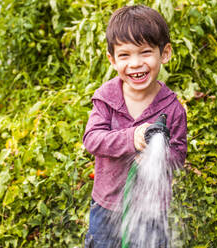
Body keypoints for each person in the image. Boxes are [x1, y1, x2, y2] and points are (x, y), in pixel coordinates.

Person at [83, 5, 187, 248]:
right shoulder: (107, 98)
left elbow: (179, 155)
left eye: (146, 52)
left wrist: (158, 156)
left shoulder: (172, 109)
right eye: (125, 55)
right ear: (112, 59)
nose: (136, 63)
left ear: (165, 53)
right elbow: (92, 139)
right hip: (107, 207)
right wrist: (132, 138)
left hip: (150, 210)